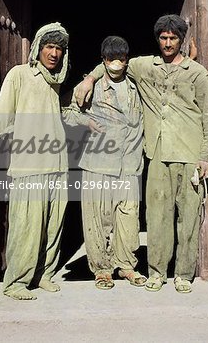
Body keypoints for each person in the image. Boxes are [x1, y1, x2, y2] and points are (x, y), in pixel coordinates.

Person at [75, 15, 208, 293]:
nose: (167, 43)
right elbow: (112, 63)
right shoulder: (145, 66)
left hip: (189, 154)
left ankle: (184, 274)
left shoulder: (197, 73)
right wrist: (90, 79)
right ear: (158, 40)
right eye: (163, 38)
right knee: (156, 218)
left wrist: (206, 157)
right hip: (155, 154)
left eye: (173, 38)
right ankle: (157, 273)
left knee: (187, 218)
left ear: (181, 40)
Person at [0, 22, 70, 300]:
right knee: (26, 227)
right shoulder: (19, 74)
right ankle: (15, 282)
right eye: (49, 47)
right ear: (38, 47)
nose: (54, 53)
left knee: (53, 226)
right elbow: (1, 119)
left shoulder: (56, 81)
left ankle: (44, 275)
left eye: (59, 48)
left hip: (58, 166)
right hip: (29, 167)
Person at [63, 36, 146, 290]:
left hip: (130, 161)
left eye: (121, 59)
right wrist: (84, 122)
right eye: (111, 60)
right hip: (97, 161)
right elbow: (65, 109)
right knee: (98, 218)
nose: (116, 64)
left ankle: (127, 266)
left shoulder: (138, 85)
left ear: (127, 60)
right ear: (104, 60)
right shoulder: (90, 87)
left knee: (129, 217)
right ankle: (102, 269)